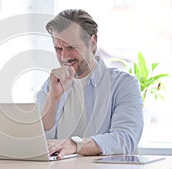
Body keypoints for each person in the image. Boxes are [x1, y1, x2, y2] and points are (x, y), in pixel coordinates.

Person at [36, 9, 143, 159]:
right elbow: (38, 140)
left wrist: (75, 144)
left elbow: (125, 139)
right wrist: (53, 99)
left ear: (93, 42)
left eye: (71, 47)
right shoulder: (51, 85)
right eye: (58, 49)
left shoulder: (123, 84)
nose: (64, 57)